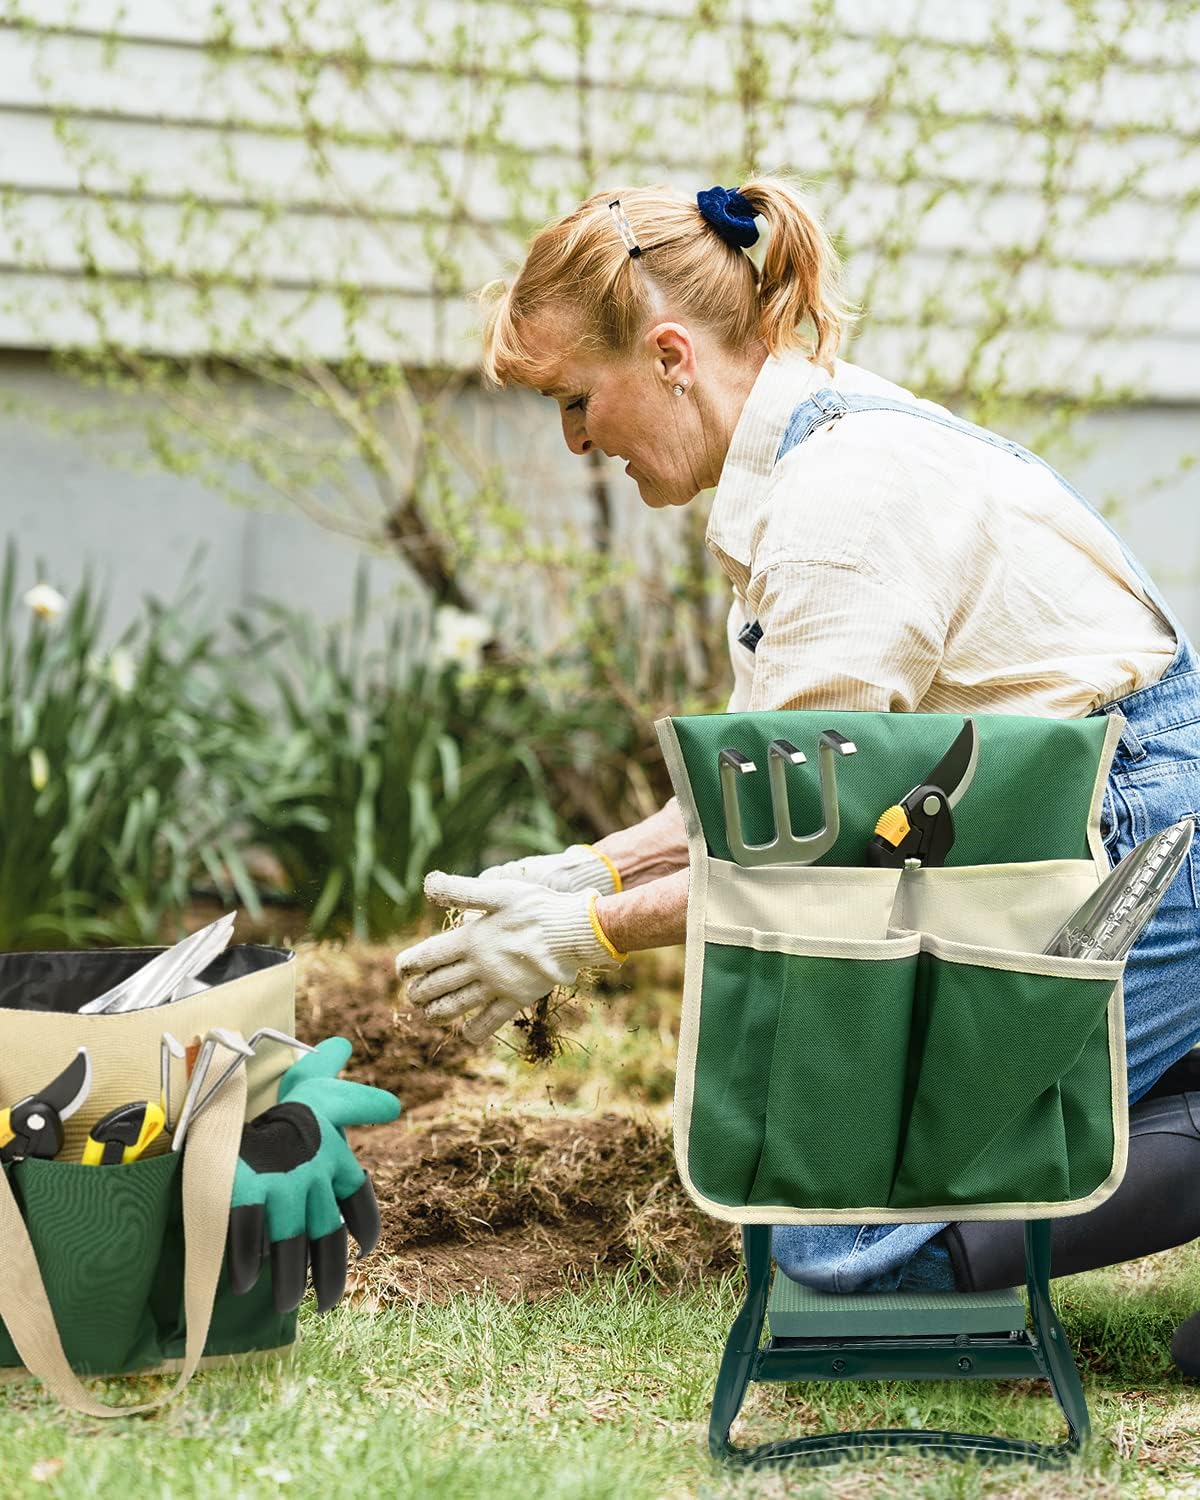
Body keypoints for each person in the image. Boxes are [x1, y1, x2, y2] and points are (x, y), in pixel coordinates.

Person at [394, 176, 1200, 1372]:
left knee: (849, 1265)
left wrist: (591, 937)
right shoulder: (797, 458)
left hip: (1136, 842)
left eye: (577, 400)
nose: (576, 442)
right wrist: (583, 868)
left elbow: (820, 862)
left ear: (669, 354)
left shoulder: (839, 504)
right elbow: (770, 789)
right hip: (1040, 811)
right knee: (814, 1232)